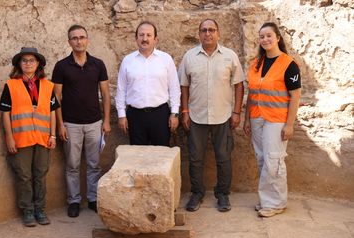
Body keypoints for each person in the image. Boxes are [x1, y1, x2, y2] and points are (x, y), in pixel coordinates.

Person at [179, 19, 244, 212]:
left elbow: (239, 85)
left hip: (223, 116)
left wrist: (237, 112)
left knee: (223, 158)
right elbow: (183, 86)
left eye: (212, 30)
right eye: (204, 30)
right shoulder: (189, 57)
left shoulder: (229, 56)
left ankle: (222, 194)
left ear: (218, 33)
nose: (208, 33)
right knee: (195, 158)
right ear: (199, 34)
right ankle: (197, 193)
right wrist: (184, 112)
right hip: (196, 117)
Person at [52, 24, 111, 218]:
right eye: (75, 38)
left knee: (94, 164)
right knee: (72, 165)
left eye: (82, 37)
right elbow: (56, 97)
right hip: (71, 124)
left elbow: (105, 93)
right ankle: (74, 201)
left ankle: (93, 199)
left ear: (88, 40)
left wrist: (106, 121)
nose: (79, 41)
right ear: (69, 42)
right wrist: (60, 124)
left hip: (94, 123)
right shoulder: (61, 66)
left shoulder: (98, 64)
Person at [243, 22, 301, 218]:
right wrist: (247, 119)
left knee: (273, 160)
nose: (265, 39)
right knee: (261, 159)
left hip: (276, 120)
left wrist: (290, 124)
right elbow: (252, 93)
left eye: (269, 35)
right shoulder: (256, 64)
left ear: (278, 38)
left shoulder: (289, 64)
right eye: (262, 37)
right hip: (257, 118)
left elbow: (295, 96)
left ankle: (276, 203)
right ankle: (267, 200)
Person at [0, 47, 59, 227]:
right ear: (19, 64)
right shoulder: (11, 85)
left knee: (40, 175)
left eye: (32, 60)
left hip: (42, 138)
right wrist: (9, 137)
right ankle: (28, 211)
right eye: (24, 60)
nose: (28, 63)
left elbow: (52, 112)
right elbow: (5, 113)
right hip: (21, 138)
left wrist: (53, 135)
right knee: (24, 176)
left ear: (38, 63)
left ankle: (40, 209)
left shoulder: (48, 86)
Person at [115, 21, 181, 146]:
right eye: (141, 35)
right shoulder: (128, 61)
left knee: (161, 154)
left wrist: (175, 113)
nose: (145, 39)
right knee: (138, 156)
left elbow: (174, 88)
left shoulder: (166, 59)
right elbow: (121, 89)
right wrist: (121, 115)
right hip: (135, 116)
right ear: (136, 38)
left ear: (155, 39)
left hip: (160, 115)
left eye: (149, 35)